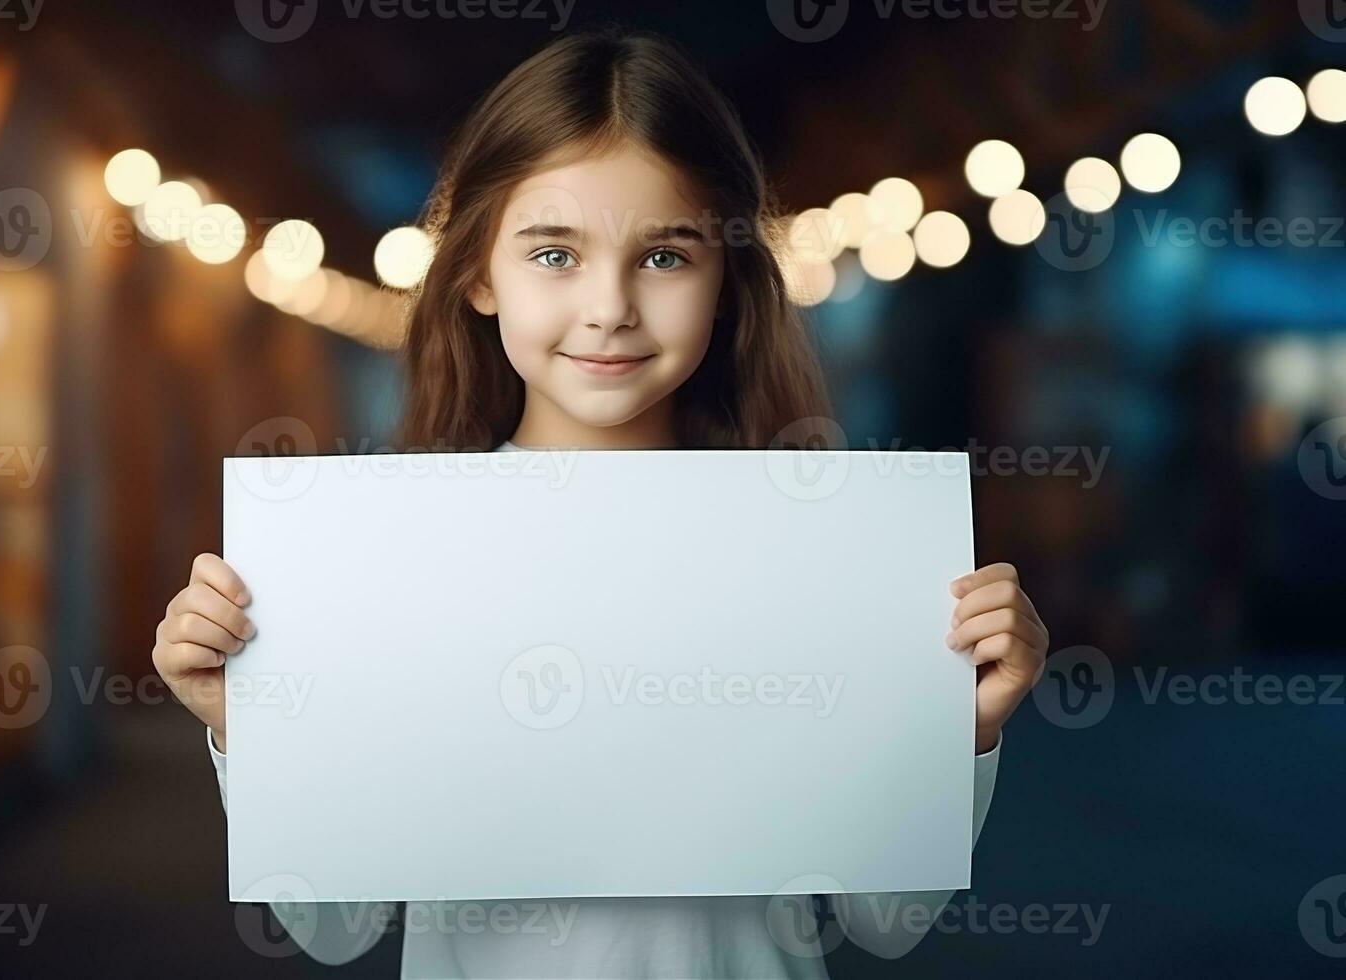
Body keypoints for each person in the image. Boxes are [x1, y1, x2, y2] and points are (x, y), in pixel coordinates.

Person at [153, 26, 1049, 977]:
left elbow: (886, 918)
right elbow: (337, 929)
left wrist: (967, 728)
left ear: (729, 286)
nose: (610, 306)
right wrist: (243, 725)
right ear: (476, 274)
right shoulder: (395, 558)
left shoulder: (816, 554)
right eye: (553, 254)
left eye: (665, 257)